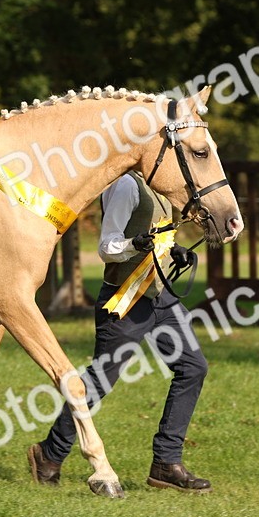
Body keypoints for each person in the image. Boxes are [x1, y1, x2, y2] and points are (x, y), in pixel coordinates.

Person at [27, 169, 212, 496]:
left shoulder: (160, 185)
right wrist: (134, 244)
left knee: (193, 367)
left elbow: (159, 235)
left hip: (160, 297)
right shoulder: (126, 185)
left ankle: (166, 463)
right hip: (124, 300)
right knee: (99, 381)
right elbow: (107, 246)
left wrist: (172, 252)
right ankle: (49, 453)